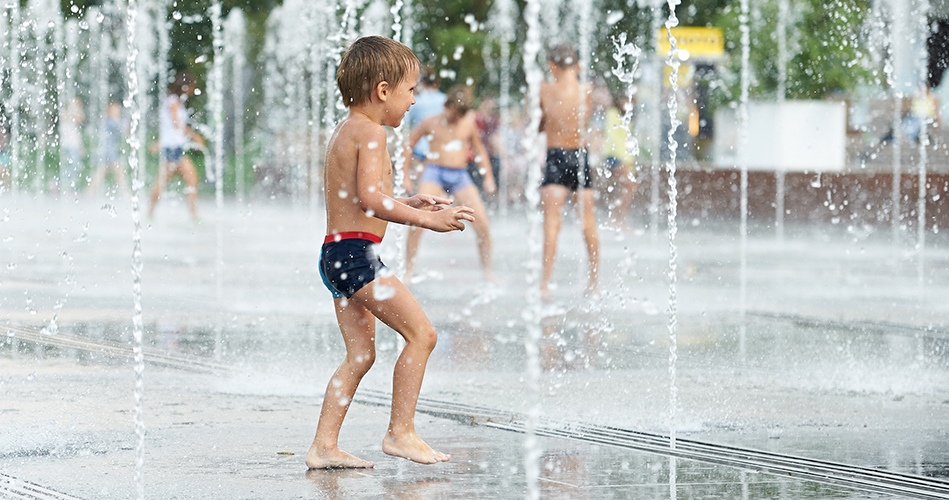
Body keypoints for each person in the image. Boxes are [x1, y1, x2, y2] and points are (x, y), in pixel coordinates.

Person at [306, 35, 474, 469]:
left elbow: (369, 196)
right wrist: (426, 220)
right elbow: (369, 200)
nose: (414, 101)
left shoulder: (349, 130)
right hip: (358, 258)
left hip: (338, 256)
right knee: (423, 335)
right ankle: (401, 433)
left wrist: (412, 201)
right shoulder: (373, 132)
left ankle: (324, 445)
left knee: (361, 355)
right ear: (383, 92)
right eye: (410, 91)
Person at [402, 85, 497, 283]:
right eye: (454, 114)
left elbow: (479, 150)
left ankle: (488, 272)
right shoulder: (430, 122)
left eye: (460, 116)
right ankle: (408, 271)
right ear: (446, 105)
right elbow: (409, 146)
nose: (456, 119)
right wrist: (405, 176)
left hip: (460, 175)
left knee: (482, 224)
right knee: (417, 221)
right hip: (434, 172)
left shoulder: (468, 123)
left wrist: (488, 177)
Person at [539, 43, 599, 299]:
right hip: (580, 156)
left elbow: (539, 124)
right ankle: (594, 282)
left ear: (552, 66)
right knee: (588, 222)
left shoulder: (543, 89)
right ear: (577, 66)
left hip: (556, 156)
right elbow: (582, 120)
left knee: (552, 223)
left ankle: (544, 283)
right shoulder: (587, 90)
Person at [149, 73, 203, 220]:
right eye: (191, 86)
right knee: (164, 181)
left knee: (190, 179)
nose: (192, 90)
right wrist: (194, 135)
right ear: (185, 86)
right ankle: (150, 214)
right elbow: (175, 124)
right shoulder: (173, 101)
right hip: (172, 148)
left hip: (175, 147)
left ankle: (194, 215)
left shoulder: (175, 101)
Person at [600, 93, 639, 230]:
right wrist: (627, 160)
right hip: (614, 156)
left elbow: (627, 142)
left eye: (631, 101)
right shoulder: (612, 113)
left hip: (623, 158)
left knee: (626, 188)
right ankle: (616, 218)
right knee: (630, 186)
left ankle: (620, 219)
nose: (629, 104)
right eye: (626, 100)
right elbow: (615, 138)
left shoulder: (626, 117)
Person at [404, 66, 446, 188]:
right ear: (436, 83)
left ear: (421, 83)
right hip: (439, 150)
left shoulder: (416, 101)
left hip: (420, 151)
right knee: (440, 190)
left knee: (422, 187)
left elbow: (405, 121)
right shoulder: (445, 100)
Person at [86, 101, 129, 197]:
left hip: (107, 149)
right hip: (108, 150)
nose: (118, 111)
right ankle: (126, 193)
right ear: (110, 111)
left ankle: (90, 192)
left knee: (102, 171)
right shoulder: (110, 121)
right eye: (116, 109)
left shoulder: (108, 120)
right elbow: (124, 128)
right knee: (117, 171)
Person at [59, 97, 86, 194]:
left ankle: (69, 187)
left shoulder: (74, 114)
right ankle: (58, 182)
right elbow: (73, 118)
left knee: (75, 166)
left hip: (75, 145)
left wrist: (81, 148)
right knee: (74, 165)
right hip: (68, 145)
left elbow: (81, 119)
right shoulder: (65, 113)